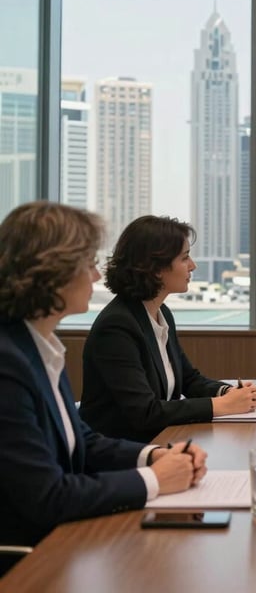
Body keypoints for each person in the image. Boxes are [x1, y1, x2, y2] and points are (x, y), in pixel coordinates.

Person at [0, 201, 207, 569]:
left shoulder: (38, 345)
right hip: (31, 560)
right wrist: (152, 480)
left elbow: (82, 439)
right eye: (88, 264)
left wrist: (152, 456)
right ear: (52, 272)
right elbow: (47, 496)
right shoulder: (8, 364)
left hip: (63, 540)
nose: (96, 277)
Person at [80, 215, 256, 443]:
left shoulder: (160, 312)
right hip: (121, 455)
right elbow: (145, 413)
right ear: (155, 268)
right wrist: (220, 405)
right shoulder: (116, 327)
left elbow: (189, 380)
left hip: (160, 442)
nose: (193, 265)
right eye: (185, 258)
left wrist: (227, 393)